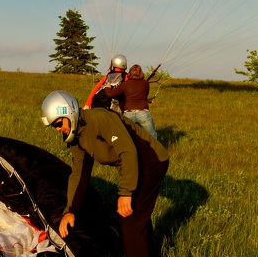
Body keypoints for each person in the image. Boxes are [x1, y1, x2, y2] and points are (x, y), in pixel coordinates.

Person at [42, 90, 169, 257]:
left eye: (58, 124)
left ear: (69, 112)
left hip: (151, 161)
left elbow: (127, 151)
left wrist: (126, 192)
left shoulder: (100, 118)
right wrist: (69, 210)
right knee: (136, 215)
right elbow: (79, 174)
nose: (58, 129)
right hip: (133, 164)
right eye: (54, 126)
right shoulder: (77, 138)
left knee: (130, 219)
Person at [105, 64, 158, 138]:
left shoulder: (125, 84)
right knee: (152, 136)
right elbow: (145, 95)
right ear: (141, 73)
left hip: (129, 113)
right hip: (143, 113)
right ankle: (155, 149)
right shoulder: (146, 84)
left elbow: (111, 94)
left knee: (127, 137)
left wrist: (107, 88)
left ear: (129, 73)